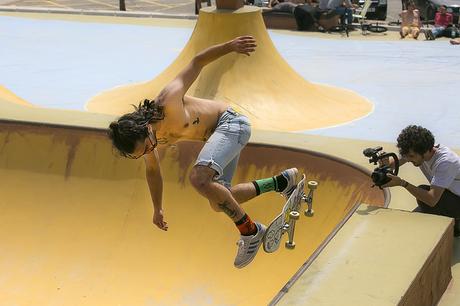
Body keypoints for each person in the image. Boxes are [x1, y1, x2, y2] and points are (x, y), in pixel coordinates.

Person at [107, 36, 300, 268]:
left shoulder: (167, 100)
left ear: (144, 127)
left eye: (148, 144)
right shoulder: (150, 141)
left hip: (231, 123)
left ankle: (250, 231)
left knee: (198, 178)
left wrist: (229, 46)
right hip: (218, 137)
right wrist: (157, 208)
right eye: (144, 152)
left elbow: (197, 62)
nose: (151, 148)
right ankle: (281, 183)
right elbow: (153, 173)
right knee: (219, 201)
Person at [381, 125, 460, 237]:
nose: (408, 160)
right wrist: (384, 163)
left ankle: (456, 223)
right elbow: (392, 165)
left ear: (425, 151)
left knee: (424, 196)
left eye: (411, 156)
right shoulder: (419, 150)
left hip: (456, 198)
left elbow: (432, 199)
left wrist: (402, 183)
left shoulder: (445, 162)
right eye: (406, 156)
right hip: (451, 193)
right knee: (423, 197)